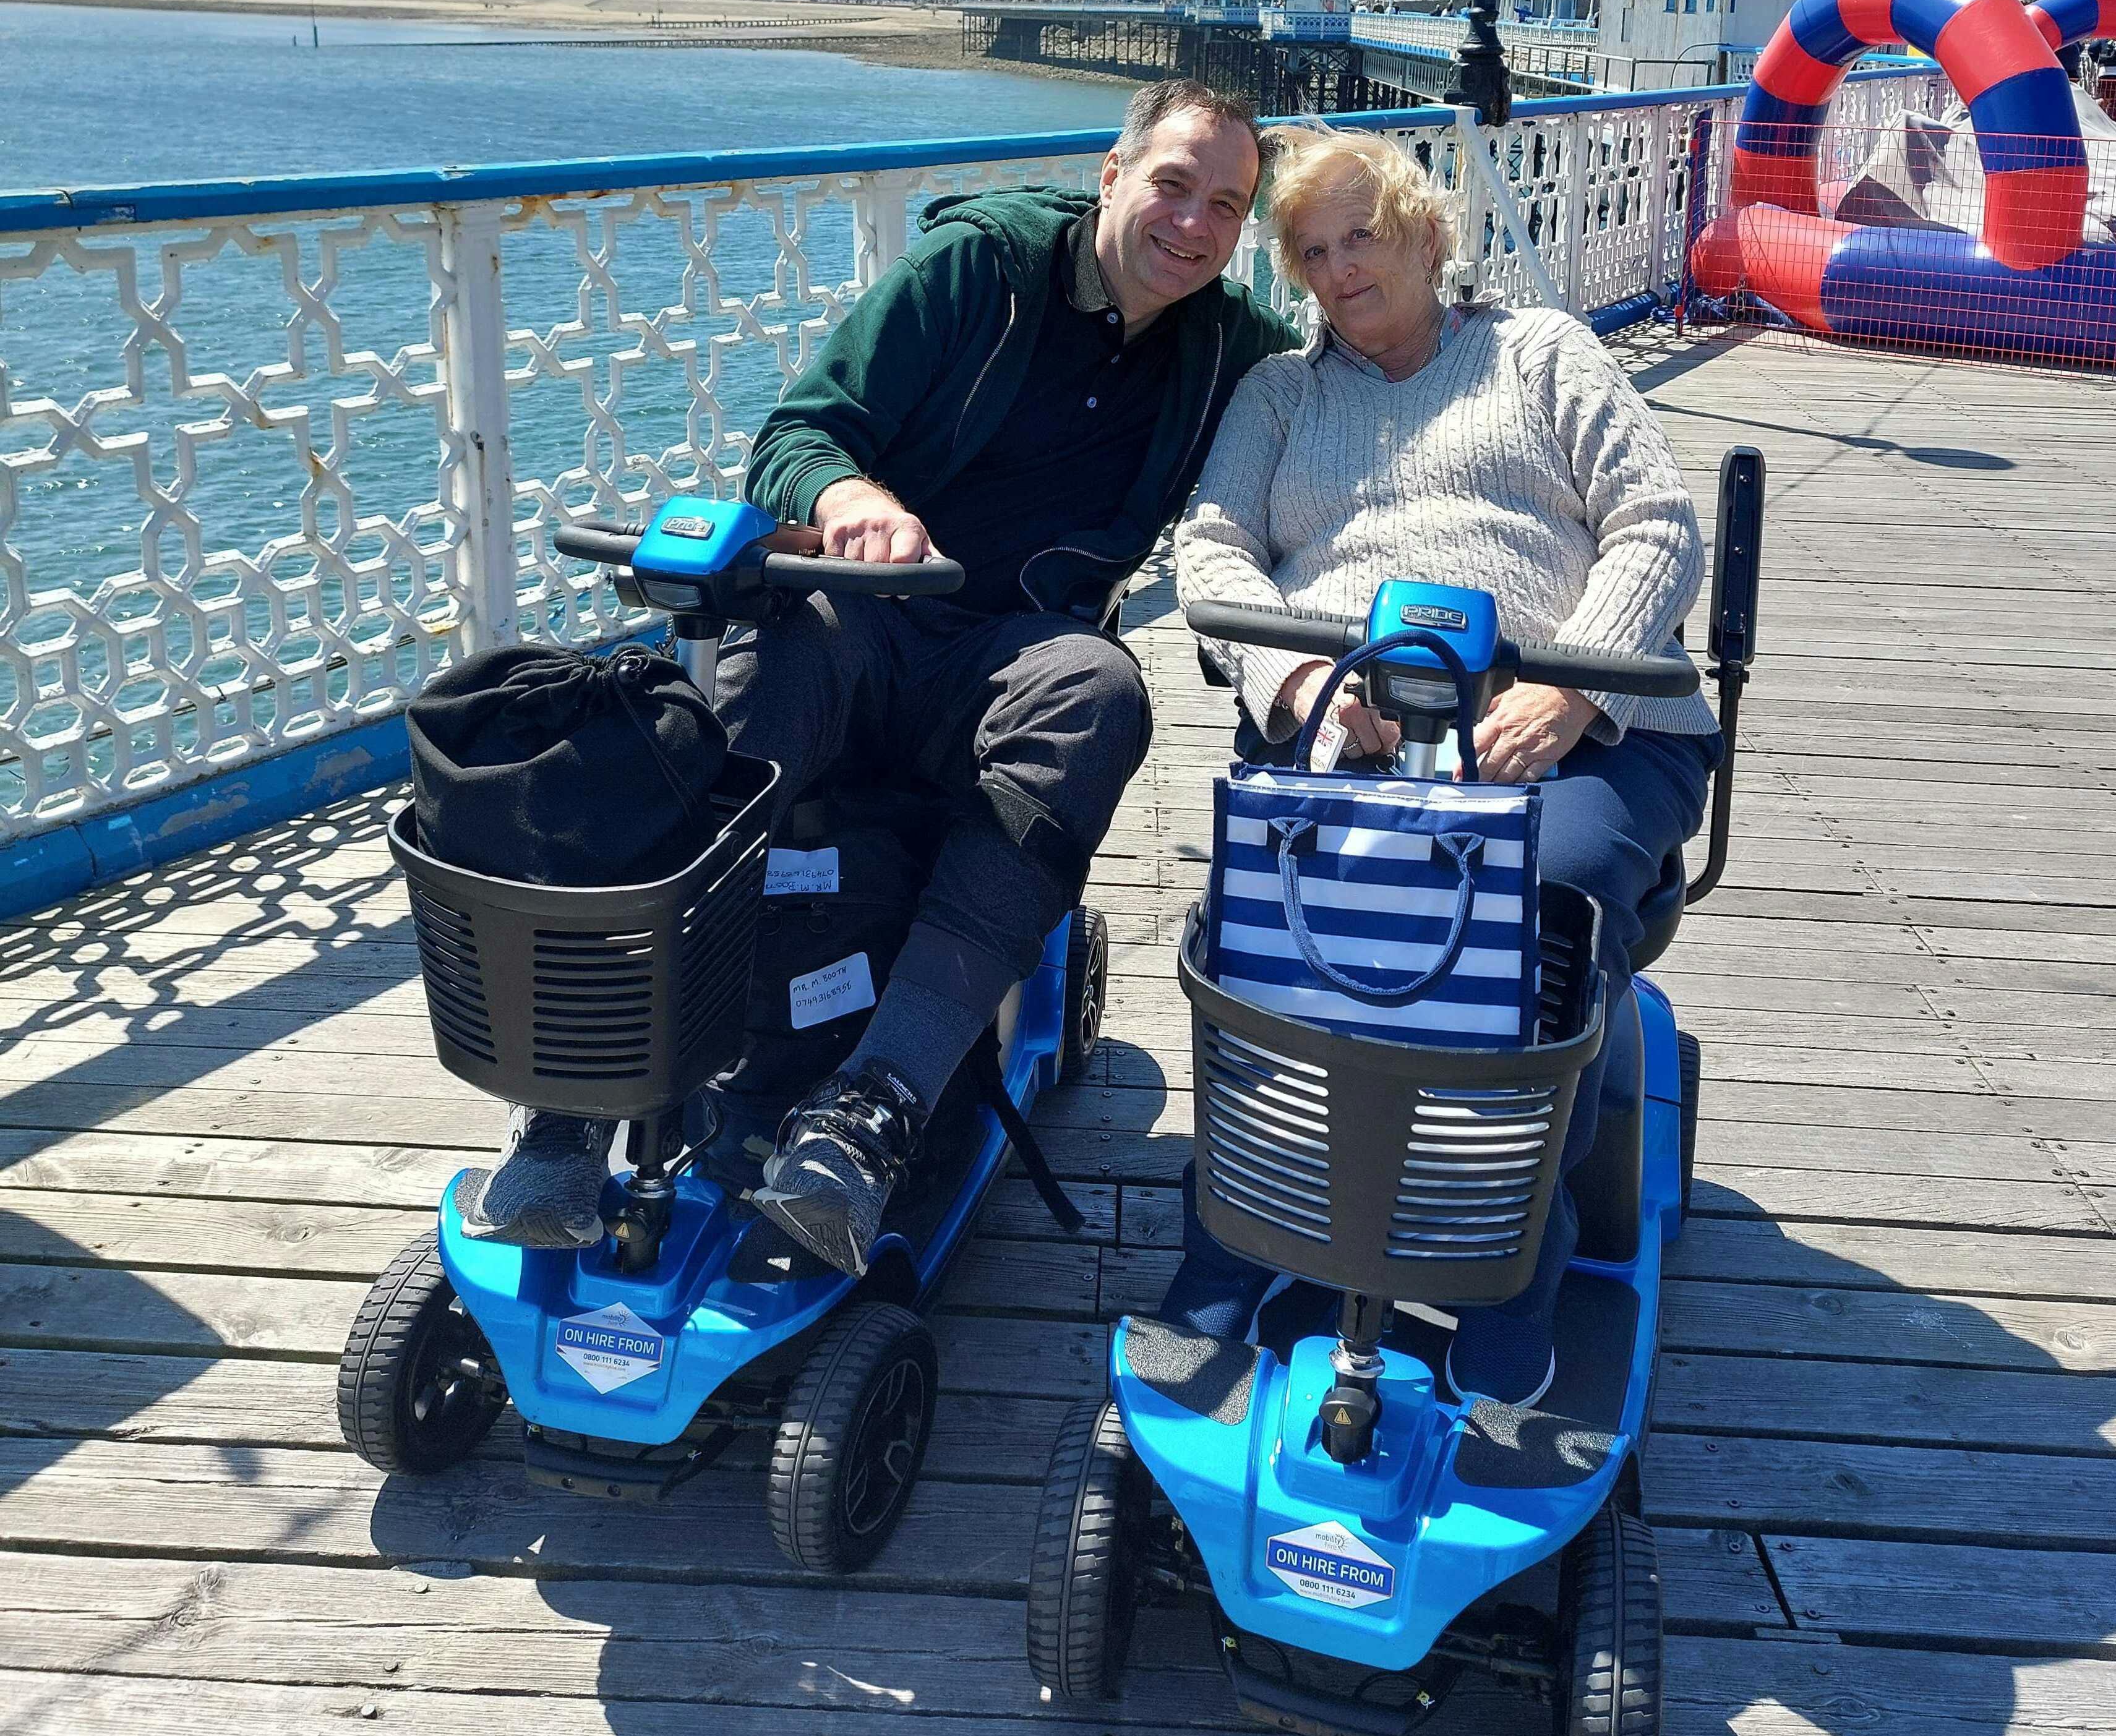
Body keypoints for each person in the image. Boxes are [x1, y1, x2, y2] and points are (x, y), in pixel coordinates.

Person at [466, 78, 1295, 1269]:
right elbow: (798, 436)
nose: (1195, 225)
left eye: (1229, 206)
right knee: (760, 678)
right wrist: (854, 499)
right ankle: (582, 1093)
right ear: (1112, 177)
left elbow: (1352, 382)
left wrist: (1469, 337)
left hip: (1010, 652)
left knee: (1102, 688)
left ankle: (873, 1109)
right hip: (862, 614)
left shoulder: (1230, 353)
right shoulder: (981, 272)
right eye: (1172, 184)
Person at [1169, 126, 1717, 1408]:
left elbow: (1658, 519)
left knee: (1543, 907)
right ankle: (1240, 1221)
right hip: (1353, 713)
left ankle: (1507, 1261)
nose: (1339, 266)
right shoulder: (1281, 393)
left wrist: (1574, 683)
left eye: (1361, 233)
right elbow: (1209, 554)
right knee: (1262, 920)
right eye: (1311, 250)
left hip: (1573, 721)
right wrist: (1300, 680)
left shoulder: (1538, 351)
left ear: (1425, 230)